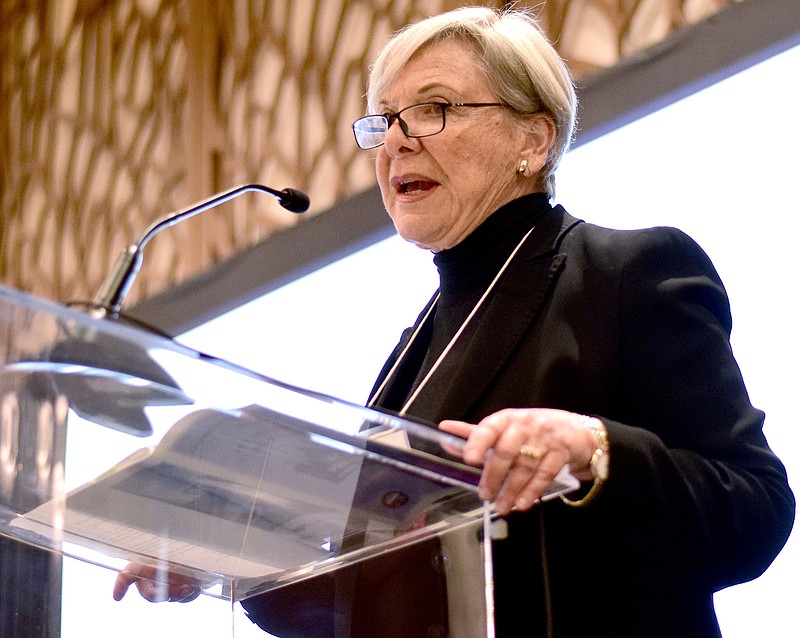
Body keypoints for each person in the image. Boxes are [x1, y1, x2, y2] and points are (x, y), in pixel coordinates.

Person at [114, 6, 795, 636]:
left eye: (434, 109)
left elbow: (756, 511)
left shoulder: (626, 272)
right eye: (384, 120)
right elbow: (374, 598)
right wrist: (224, 558)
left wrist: (595, 451)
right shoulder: (416, 347)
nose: (397, 144)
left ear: (534, 137)